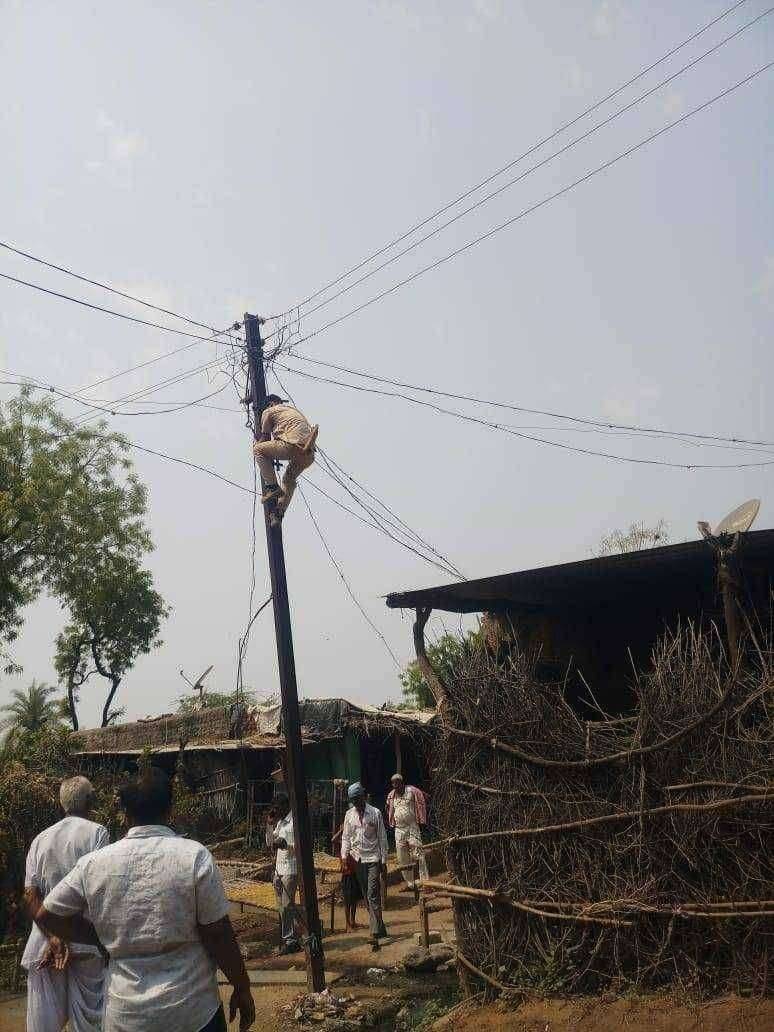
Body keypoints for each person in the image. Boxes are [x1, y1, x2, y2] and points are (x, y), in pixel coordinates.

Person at [35, 767, 255, 1032]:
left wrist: (98, 938)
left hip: (126, 1015)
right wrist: (241, 986)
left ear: (125, 813)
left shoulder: (94, 864)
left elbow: (47, 915)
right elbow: (217, 933)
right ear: (169, 809)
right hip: (193, 1011)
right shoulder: (194, 856)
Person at [23, 776, 109, 1032]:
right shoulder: (97, 833)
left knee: (43, 1026)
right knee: (92, 1024)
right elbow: (97, 888)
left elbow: (30, 896)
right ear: (89, 801)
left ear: (62, 804)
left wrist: (53, 937)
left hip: (44, 943)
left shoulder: (40, 840)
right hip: (86, 942)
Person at [340, 782, 388, 951]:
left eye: (357, 800)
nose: (356, 804)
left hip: (373, 858)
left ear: (363, 797)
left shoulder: (375, 813)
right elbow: (346, 837)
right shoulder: (349, 815)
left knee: (372, 894)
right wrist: (344, 857)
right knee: (367, 897)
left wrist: (383, 861)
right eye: (353, 801)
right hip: (357, 859)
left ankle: (374, 934)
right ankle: (380, 928)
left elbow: (382, 837)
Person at [252, 394, 317, 519]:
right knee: (288, 479)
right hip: (308, 453)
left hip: (291, 445)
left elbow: (265, 439)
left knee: (258, 450)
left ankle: (273, 487)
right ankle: (278, 513)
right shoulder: (292, 411)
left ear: (271, 403)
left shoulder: (268, 411)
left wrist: (257, 440)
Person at [265, 793, 300, 955]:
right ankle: (289, 937)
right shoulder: (279, 823)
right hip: (279, 869)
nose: (275, 811)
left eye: (277, 808)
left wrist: (285, 844)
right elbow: (269, 843)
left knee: (286, 905)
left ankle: (290, 940)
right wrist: (269, 824)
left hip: (290, 869)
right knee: (281, 907)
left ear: (284, 807)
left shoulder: (294, 822)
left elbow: (299, 848)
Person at [386, 774, 429, 891]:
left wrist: (421, 820)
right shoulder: (391, 796)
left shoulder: (412, 791)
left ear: (402, 782)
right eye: (393, 784)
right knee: (402, 857)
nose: (395, 786)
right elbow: (388, 808)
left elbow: (423, 797)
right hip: (399, 829)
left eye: (397, 783)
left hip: (412, 827)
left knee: (418, 853)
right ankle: (410, 883)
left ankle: (425, 882)